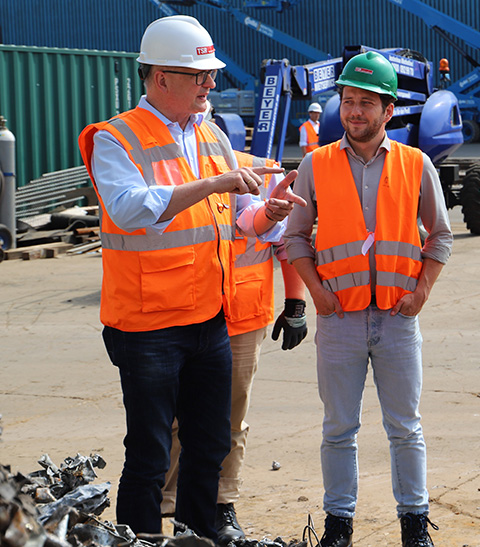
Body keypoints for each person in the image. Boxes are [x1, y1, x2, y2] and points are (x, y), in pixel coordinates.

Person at [77, 15, 304, 540]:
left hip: (209, 319)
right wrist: (214, 183)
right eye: (200, 75)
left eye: (209, 75)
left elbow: (239, 218)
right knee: (152, 449)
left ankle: (198, 533)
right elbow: (129, 208)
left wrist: (268, 213)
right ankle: (142, 537)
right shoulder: (117, 138)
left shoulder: (211, 133)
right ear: (161, 78)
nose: (211, 84)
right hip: (147, 325)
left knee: (209, 442)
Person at [283, 51, 453, 547]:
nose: (354, 111)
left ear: (388, 109)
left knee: (406, 429)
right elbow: (296, 238)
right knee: (338, 429)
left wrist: (422, 291)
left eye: (366, 103)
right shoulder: (316, 164)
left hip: (398, 319)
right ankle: (339, 525)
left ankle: (414, 525)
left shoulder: (415, 164)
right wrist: (317, 294)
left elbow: (439, 236)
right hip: (339, 320)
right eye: (348, 100)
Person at [160, 150, 309, 545]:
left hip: (242, 314)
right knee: (176, 415)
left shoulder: (256, 168)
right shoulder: (172, 169)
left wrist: (295, 302)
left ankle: (222, 502)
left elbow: (286, 241)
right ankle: (172, 503)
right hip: (184, 310)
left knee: (231, 415)